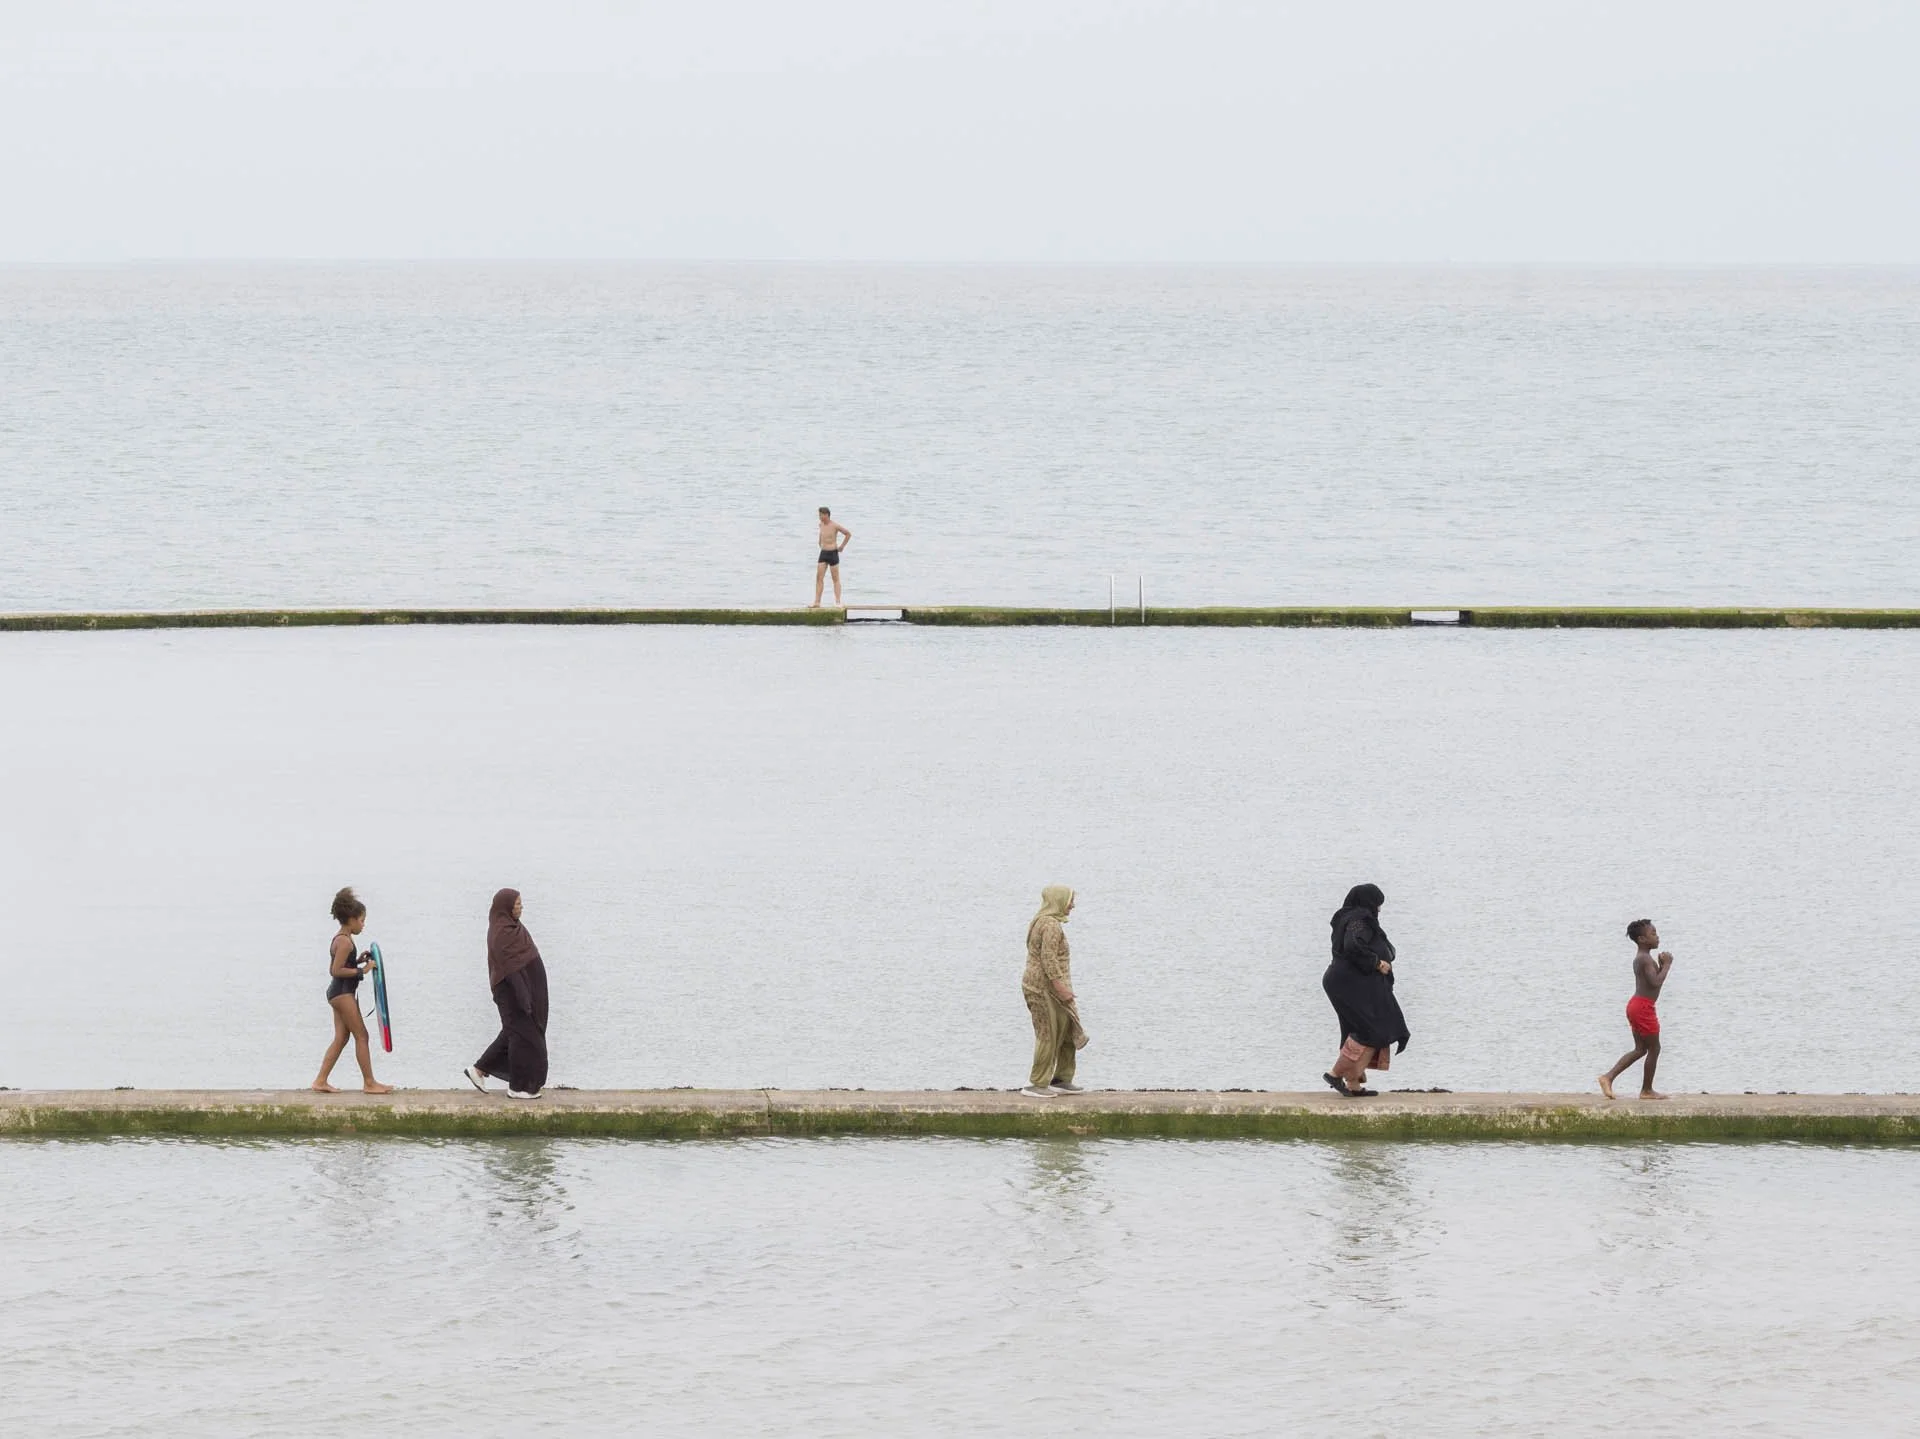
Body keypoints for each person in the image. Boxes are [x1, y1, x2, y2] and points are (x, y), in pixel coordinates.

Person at [1321, 883, 1409, 1097]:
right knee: (1371, 1030)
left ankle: (1353, 1084)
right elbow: (1353, 946)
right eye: (1377, 904)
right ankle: (1335, 1074)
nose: (1378, 910)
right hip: (1349, 982)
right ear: (1368, 903)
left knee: (1358, 1027)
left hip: (1343, 980)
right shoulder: (1360, 920)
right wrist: (1377, 963)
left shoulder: (1347, 917)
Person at [464, 888, 549, 1099]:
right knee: (526, 1038)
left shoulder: (515, 928)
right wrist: (524, 999)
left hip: (526, 993)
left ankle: (479, 1070)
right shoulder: (502, 933)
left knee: (515, 1033)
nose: (521, 907)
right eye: (517, 904)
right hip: (513, 994)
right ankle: (518, 1087)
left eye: (521, 903)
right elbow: (509, 970)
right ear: (506, 906)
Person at [311, 887, 392, 1093]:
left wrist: (358, 960)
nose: (363, 925)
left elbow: (343, 964)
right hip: (342, 994)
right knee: (362, 1036)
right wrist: (363, 970)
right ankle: (369, 1083)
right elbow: (336, 970)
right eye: (362, 920)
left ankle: (320, 1081)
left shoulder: (341, 939)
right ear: (352, 919)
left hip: (338, 993)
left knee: (341, 1037)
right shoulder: (345, 942)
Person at [1020, 885, 1089, 1098]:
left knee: (1067, 1029)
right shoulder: (1050, 925)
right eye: (1069, 901)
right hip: (1042, 988)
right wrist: (1061, 988)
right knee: (1048, 1033)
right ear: (1058, 901)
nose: (1072, 905)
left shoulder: (1044, 922)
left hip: (1052, 987)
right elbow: (1048, 958)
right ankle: (1037, 1083)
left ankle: (1062, 1079)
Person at [1598, 920, 1674, 1100]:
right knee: (1654, 1048)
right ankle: (1647, 1090)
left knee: (1640, 1049)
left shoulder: (1643, 958)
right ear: (1641, 939)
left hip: (1638, 1006)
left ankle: (1608, 1078)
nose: (1657, 936)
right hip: (1643, 1008)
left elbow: (1652, 982)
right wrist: (1668, 965)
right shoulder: (1644, 959)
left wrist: (1661, 966)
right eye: (1653, 933)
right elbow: (1655, 982)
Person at [811, 506, 851, 608]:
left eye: (821, 515)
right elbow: (821, 534)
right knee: (819, 577)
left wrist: (842, 546)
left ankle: (838, 602)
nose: (819, 517)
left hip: (833, 553)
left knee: (835, 579)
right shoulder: (821, 525)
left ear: (826, 515)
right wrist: (819, 542)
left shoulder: (835, 525)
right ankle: (817, 602)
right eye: (819, 515)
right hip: (823, 553)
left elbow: (848, 534)